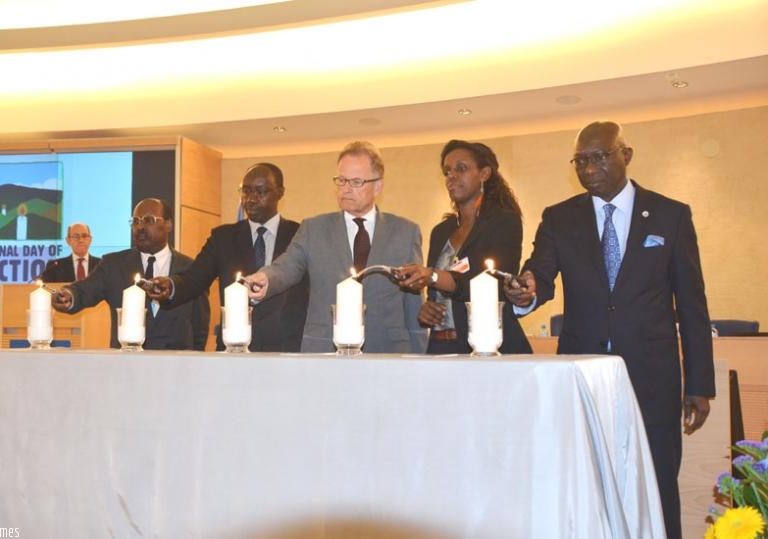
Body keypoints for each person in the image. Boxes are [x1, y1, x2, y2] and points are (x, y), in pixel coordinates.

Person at [504, 121, 714, 538]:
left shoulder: (671, 215)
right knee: (586, 486)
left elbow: (691, 304)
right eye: (581, 160)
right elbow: (539, 277)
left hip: (653, 378)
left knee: (657, 487)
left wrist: (700, 383)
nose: (588, 167)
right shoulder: (560, 218)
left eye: (599, 157)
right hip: (583, 378)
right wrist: (525, 291)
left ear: (626, 155)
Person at [246, 141, 427, 353]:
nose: (346, 189)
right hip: (325, 349)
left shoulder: (406, 232)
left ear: (378, 185)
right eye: (341, 180)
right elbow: (286, 266)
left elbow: (414, 300)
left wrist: (417, 355)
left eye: (356, 182)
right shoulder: (313, 228)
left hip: (387, 350)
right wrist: (266, 279)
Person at [145, 163, 308, 351]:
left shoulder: (301, 235)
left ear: (280, 193)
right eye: (246, 191)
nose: (251, 199)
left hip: (288, 348)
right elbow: (194, 279)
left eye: (260, 191)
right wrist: (171, 286)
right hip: (234, 349)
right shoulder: (223, 238)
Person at [397, 140, 531, 354]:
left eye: (461, 168)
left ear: (484, 174)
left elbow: (493, 282)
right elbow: (436, 294)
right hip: (442, 346)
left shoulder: (504, 222)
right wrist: (428, 311)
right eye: (447, 171)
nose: (451, 177)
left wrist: (433, 276)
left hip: (489, 346)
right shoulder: (441, 231)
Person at [52, 198, 210, 351]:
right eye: (135, 221)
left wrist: (192, 361)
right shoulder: (113, 265)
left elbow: (200, 327)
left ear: (168, 224)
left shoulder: (191, 269)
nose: (140, 226)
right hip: (125, 366)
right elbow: (85, 290)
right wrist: (69, 295)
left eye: (149, 220)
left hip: (175, 367)